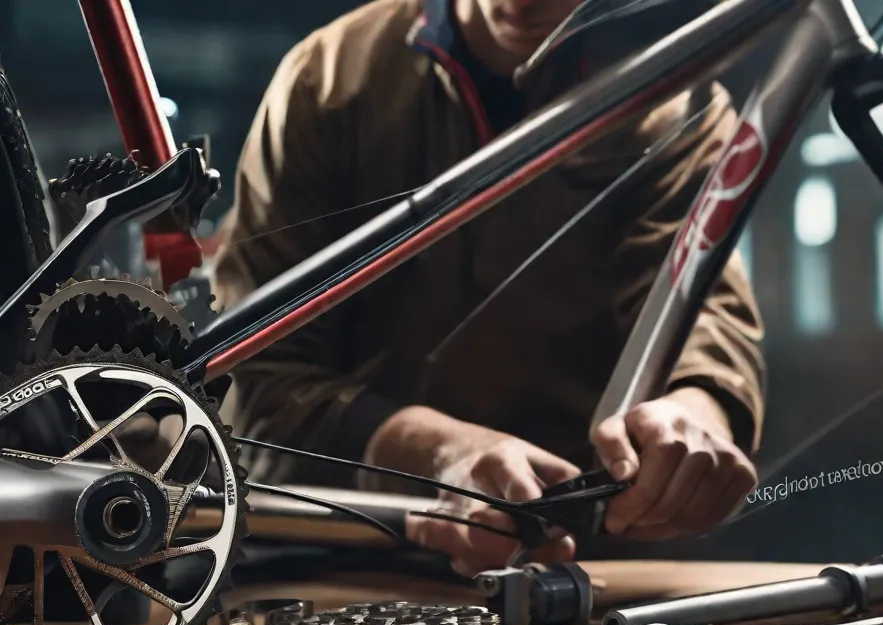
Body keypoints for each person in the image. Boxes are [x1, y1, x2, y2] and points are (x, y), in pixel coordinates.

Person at [212, 0, 766, 577]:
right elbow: (252, 381)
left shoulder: (675, 102)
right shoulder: (327, 80)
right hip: (342, 564)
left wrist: (699, 415)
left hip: (585, 572)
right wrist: (439, 455)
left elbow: (702, 315)